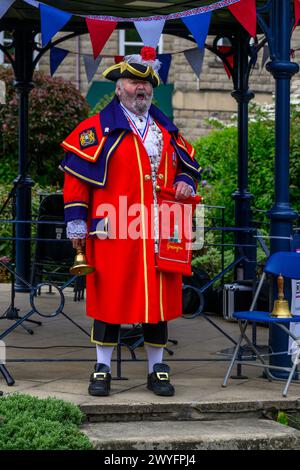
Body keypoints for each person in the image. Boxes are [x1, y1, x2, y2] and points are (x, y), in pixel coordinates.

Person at [60, 46, 202, 397]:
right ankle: (102, 369)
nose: (141, 88)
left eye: (147, 83)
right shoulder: (95, 130)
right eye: (133, 81)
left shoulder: (166, 131)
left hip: (162, 229)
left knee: (158, 301)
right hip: (114, 230)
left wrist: (186, 180)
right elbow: (75, 182)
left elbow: (188, 168)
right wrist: (77, 223)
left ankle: (158, 369)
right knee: (110, 299)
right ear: (118, 87)